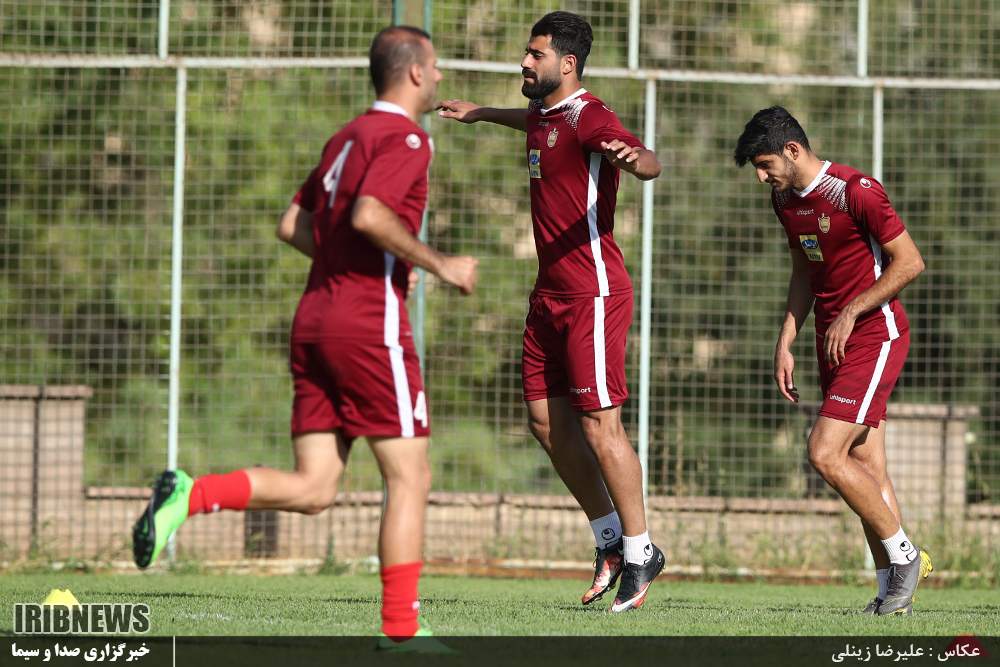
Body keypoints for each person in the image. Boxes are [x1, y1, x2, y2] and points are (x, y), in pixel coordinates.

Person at [132, 26, 478, 651]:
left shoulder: (345, 136)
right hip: (368, 325)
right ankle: (402, 630)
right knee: (411, 476)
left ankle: (190, 494)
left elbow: (293, 224)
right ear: (416, 73)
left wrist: (355, 263)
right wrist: (439, 264)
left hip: (315, 318)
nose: (440, 76)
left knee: (317, 487)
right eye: (436, 66)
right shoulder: (407, 137)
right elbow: (370, 214)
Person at [437, 11, 664, 612]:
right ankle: (609, 540)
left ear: (567, 63)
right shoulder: (544, 112)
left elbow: (646, 160)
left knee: (600, 426)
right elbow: (535, 123)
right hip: (549, 296)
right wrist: (482, 113)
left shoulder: (591, 116)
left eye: (535, 54)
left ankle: (641, 551)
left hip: (593, 294)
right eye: (526, 51)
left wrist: (635, 160)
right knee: (544, 423)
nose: (524, 61)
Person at [733, 106, 932, 616]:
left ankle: (906, 556)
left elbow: (910, 262)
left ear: (792, 150)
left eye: (765, 165)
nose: (762, 178)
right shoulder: (784, 200)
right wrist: (786, 339)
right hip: (832, 341)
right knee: (866, 466)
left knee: (823, 452)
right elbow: (804, 268)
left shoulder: (855, 191)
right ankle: (892, 594)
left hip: (875, 335)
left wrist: (852, 310)